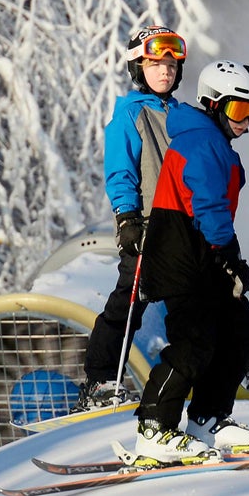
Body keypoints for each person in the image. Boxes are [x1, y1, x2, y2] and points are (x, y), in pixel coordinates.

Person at [130, 59, 249, 463]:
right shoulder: (200, 141)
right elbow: (208, 205)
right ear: (213, 103)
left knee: (240, 329)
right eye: (240, 111)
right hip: (181, 255)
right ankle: (155, 428)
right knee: (194, 340)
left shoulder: (210, 140)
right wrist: (229, 255)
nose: (246, 123)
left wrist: (227, 259)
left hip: (202, 255)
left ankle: (208, 417)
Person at [75, 25, 189, 412]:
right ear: (138, 68)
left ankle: (220, 373)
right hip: (146, 229)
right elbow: (120, 171)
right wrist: (127, 218)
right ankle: (100, 380)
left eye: (171, 66)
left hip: (184, 231)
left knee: (203, 307)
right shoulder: (130, 115)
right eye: (155, 64)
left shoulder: (184, 116)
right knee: (128, 305)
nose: (165, 72)